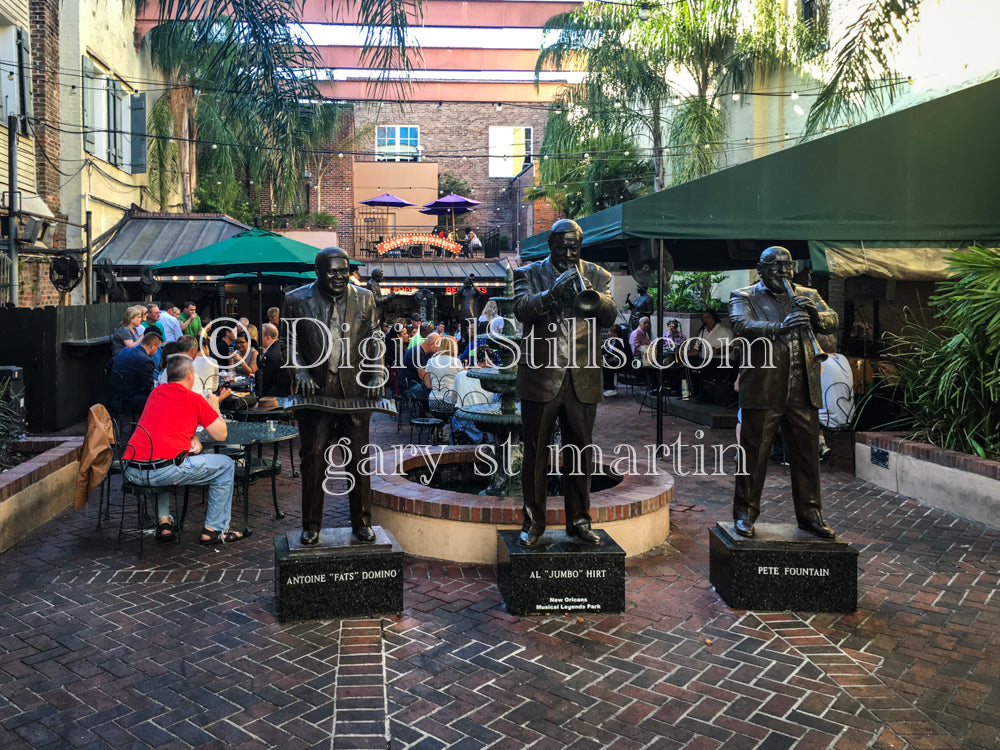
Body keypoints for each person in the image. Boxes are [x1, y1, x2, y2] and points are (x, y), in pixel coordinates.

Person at [513, 218, 616, 547]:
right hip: (541, 377)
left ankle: (580, 522)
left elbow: (610, 315)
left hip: (583, 378)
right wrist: (553, 292)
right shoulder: (528, 273)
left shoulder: (598, 274)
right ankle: (534, 523)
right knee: (535, 455)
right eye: (562, 248)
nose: (569, 254)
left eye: (574, 248)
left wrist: (595, 296)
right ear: (551, 246)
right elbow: (522, 309)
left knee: (581, 454)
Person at [729, 245, 839, 539]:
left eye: (787, 266)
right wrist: (779, 327)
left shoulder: (808, 294)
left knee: (806, 456)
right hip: (763, 386)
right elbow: (741, 324)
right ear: (761, 269)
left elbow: (833, 319)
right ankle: (745, 513)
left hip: (803, 386)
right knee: (754, 454)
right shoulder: (744, 295)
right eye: (775, 266)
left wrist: (814, 314)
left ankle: (810, 514)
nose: (782, 272)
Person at [283, 247, 381, 545]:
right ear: (318, 272)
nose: (339, 277)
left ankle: (362, 522)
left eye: (344, 271)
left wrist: (376, 373)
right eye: (332, 271)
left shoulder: (365, 297)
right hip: (315, 397)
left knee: (358, 461)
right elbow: (288, 342)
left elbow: (374, 339)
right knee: (313, 462)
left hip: (355, 394)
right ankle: (311, 525)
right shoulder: (296, 299)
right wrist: (299, 371)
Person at [122, 353, 243, 545]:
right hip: (162, 472)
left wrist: (190, 436)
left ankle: (164, 522)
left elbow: (165, 423)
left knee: (160, 458)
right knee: (226, 465)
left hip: (132, 470)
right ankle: (215, 530)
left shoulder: (156, 393)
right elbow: (221, 435)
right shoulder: (194, 399)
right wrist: (215, 405)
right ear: (189, 375)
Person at [817, 333, 855, 460]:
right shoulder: (843, 358)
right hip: (848, 415)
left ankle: (812, 450)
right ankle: (821, 446)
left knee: (804, 409)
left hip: (829, 418)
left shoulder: (820, 361)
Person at [108, 330, 161, 415]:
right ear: (153, 345)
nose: (156, 352)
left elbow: (108, 366)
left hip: (114, 394)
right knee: (160, 399)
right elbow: (148, 387)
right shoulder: (146, 361)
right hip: (131, 399)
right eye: (157, 348)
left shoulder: (124, 350)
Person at [424, 335, 463, 412]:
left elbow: (428, 385)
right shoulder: (456, 361)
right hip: (450, 401)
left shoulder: (430, 361)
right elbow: (461, 383)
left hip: (433, 401)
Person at [258, 322, 291, 397]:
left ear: (268, 337)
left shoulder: (270, 355)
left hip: (275, 395)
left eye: (259, 335)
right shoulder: (280, 346)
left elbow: (266, 381)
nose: (257, 337)